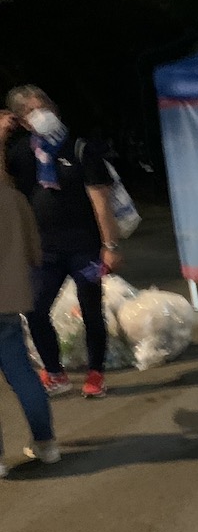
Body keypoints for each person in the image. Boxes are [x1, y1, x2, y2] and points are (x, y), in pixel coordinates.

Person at [2, 85, 119, 398]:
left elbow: (101, 202)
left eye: (44, 107)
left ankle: (96, 374)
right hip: (44, 250)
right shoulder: (22, 153)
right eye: (31, 111)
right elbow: (4, 185)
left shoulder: (80, 149)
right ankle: (55, 372)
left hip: (85, 248)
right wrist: (0, 139)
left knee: (91, 310)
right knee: (35, 310)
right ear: (22, 121)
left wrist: (110, 246)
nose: (41, 115)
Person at [0, 177, 61, 477]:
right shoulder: (14, 198)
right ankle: (46, 444)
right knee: (23, 374)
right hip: (9, 300)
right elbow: (35, 252)